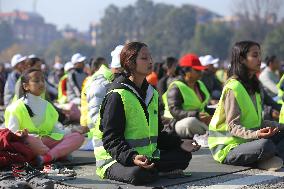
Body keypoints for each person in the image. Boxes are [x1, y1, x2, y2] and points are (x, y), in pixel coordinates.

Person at [93, 42, 199, 185]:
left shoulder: (152, 93)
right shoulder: (117, 95)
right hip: (114, 160)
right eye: (144, 58)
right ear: (130, 62)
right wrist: (132, 157)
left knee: (184, 156)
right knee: (138, 174)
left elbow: (158, 134)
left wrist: (179, 143)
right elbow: (111, 140)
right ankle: (153, 169)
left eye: (150, 57)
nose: (150, 61)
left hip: (146, 157)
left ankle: (152, 169)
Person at [209, 41, 284, 171]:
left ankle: (266, 159)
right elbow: (233, 126)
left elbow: (257, 122)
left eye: (260, 55)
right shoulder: (233, 87)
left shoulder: (255, 86)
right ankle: (267, 158)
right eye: (255, 55)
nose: (260, 59)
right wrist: (256, 134)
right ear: (242, 59)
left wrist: (279, 126)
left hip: (249, 141)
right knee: (266, 145)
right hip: (228, 147)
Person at [4, 68, 85, 165]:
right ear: (26, 86)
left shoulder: (48, 106)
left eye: (43, 80)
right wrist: (19, 134)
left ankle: (47, 157)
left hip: (46, 141)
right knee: (30, 140)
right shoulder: (15, 108)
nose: (41, 83)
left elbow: (57, 131)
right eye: (36, 81)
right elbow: (10, 135)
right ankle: (58, 153)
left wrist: (72, 131)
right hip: (31, 143)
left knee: (78, 137)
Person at [162, 54, 212, 140]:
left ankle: (209, 133)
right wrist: (196, 115)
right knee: (190, 122)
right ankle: (211, 134)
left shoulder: (200, 84)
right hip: (175, 123)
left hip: (199, 120)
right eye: (197, 70)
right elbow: (175, 111)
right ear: (186, 71)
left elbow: (204, 107)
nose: (201, 73)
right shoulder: (176, 87)